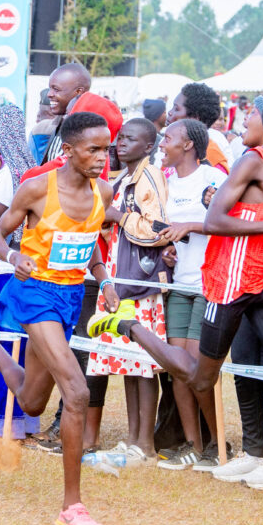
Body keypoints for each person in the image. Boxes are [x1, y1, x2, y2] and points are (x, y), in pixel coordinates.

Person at [112, 95, 263, 522]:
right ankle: (129, 327)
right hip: (228, 283)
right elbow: (217, 221)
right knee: (200, 378)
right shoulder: (252, 163)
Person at [0, 112, 120, 525]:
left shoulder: (103, 190)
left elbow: (89, 243)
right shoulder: (35, 188)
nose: (103, 157)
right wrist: (14, 257)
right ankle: (73, 506)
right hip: (35, 294)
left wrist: (104, 282)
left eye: (107, 149)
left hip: (69, 298)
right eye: (94, 149)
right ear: (68, 151)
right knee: (77, 391)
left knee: (31, 401)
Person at [81, 117, 169, 464]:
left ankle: (145, 443)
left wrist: (117, 216)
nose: (120, 144)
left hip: (140, 284)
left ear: (148, 146)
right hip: (120, 277)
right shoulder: (124, 178)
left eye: (130, 139)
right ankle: (133, 439)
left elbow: (158, 230)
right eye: (120, 138)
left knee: (144, 364)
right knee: (130, 364)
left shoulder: (151, 177)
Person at [142, 119, 225, 470]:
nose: (163, 143)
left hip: (208, 284)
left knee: (197, 369)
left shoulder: (214, 180)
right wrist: (169, 251)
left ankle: (218, 443)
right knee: (176, 368)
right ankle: (193, 444)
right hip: (178, 284)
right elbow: (167, 232)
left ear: (189, 145)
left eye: (169, 138)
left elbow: (227, 224)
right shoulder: (167, 183)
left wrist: (190, 226)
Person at [39, 63, 124, 172]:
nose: (49, 94)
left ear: (78, 92)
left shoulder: (95, 134)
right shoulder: (61, 123)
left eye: (56, 89)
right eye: (50, 88)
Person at [168, 82, 231, 173]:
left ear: (195, 118)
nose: (170, 112)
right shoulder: (169, 146)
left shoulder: (214, 163)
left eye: (176, 109)